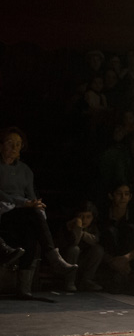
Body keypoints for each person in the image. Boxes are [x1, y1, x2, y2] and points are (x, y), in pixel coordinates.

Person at [0, 126, 77, 298]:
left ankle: (24, 286)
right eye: (10, 143)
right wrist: (25, 203)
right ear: (1, 145)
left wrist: (36, 204)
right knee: (31, 217)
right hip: (3, 213)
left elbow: (31, 195)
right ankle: (53, 257)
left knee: (33, 223)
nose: (14, 148)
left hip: (22, 213)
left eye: (18, 144)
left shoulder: (25, 170)